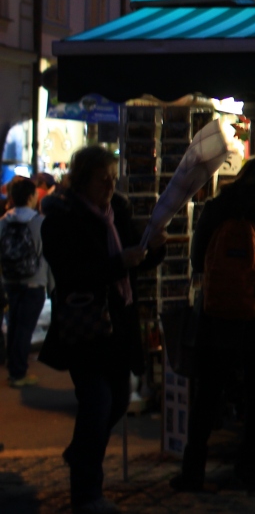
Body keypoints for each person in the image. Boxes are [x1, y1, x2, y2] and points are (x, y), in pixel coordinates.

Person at [40, 147, 166, 514]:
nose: (110, 186)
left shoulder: (118, 212)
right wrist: (117, 264)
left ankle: (82, 452)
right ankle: (86, 493)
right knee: (97, 403)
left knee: (119, 401)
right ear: (83, 181)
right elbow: (70, 274)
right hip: (87, 328)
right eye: (102, 180)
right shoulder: (62, 219)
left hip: (119, 325)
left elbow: (136, 259)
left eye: (113, 178)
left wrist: (154, 249)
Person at [171, 157, 255, 492]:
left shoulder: (215, 208)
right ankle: (247, 467)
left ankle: (193, 470)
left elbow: (197, 260)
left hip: (216, 314)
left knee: (207, 395)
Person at [2, 178, 49, 386]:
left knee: (14, 324)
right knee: (24, 328)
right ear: (31, 197)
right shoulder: (40, 223)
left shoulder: (3, 222)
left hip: (10, 281)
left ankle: (13, 367)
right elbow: (45, 254)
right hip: (34, 282)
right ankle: (18, 373)